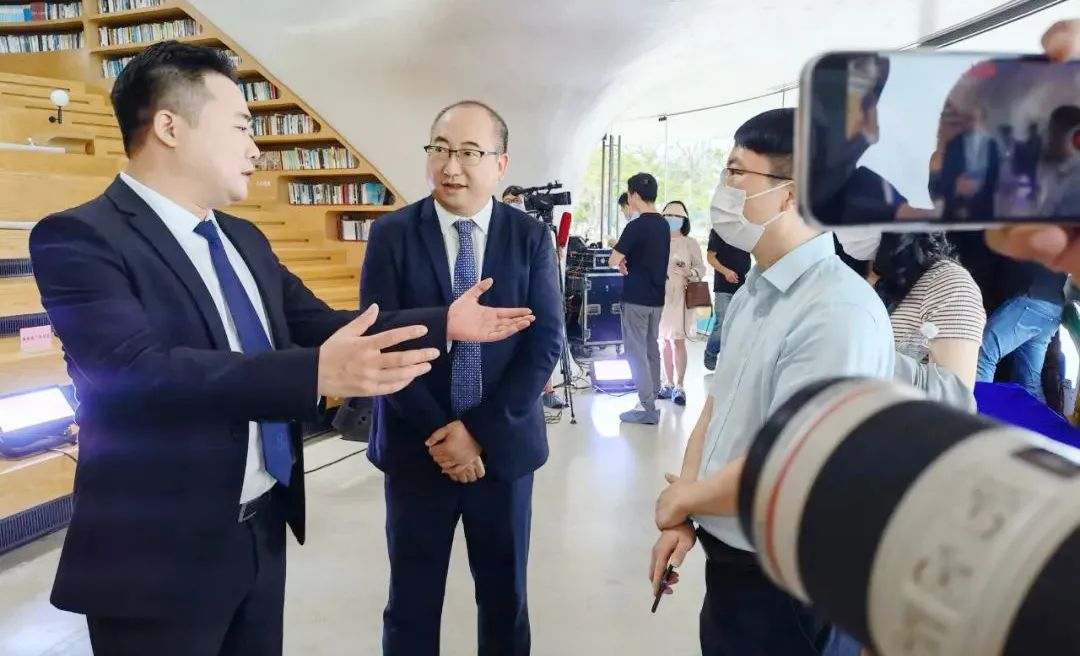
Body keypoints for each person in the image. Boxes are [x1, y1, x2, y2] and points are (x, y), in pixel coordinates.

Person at [28, 43, 535, 656]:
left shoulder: (241, 237)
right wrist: (315, 372)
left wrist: (443, 323)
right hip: (157, 554)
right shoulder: (81, 237)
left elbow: (318, 323)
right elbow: (136, 371)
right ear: (169, 127)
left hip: (260, 529)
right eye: (241, 126)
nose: (254, 148)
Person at [648, 108, 894, 655]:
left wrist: (687, 497)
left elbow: (796, 460)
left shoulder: (837, 310)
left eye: (737, 172)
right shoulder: (756, 289)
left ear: (792, 193)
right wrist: (686, 509)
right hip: (733, 564)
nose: (722, 188)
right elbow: (716, 409)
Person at [361, 100, 562, 655]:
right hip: (416, 448)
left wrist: (478, 433)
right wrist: (442, 435)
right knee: (410, 603)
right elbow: (383, 339)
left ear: (500, 164)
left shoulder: (529, 238)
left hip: (503, 453)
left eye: (470, 153)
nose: (451, 167)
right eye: (440, 150)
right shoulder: (392, 234)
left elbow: (544, 342)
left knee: (504, 602)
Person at [609, 173, 671, 424]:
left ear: (634, 195)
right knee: (651, 347)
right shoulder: (663, 225)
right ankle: (652, 395)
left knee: (636, 352)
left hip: (636, 298)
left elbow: (613, 259)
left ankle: (647, 408)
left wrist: (621, 259)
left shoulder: (635, 226)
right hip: (657, 298)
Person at [502, 184, 566, 409]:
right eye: (508, 201)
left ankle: (548, 391)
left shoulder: (536, 230)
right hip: (508, 297)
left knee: (540, 342)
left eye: (517, 201)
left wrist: (557, 255)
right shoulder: (496, 230)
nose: (513, 205)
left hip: (534, 296)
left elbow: (549, 265)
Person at [656, 200, 705, 405]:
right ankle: (667, 383)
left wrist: (689, 272)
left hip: (681, 297)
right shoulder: (657, 241)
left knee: (678, 340)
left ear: (684, 220)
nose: (672, 220)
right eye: (668, 216)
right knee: (664, 342)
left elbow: (701, 269)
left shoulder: (690, 243)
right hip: (659, 297)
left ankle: (679, 385)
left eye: (677, 217)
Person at [702, 224, 750, 371]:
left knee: (739, 326)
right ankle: (711, 352)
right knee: (722, 323)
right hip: (723, 287)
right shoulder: (718, 231)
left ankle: (730, 361)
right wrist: (726, 272)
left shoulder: (747, 231)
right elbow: (710, 258)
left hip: (744, 286)